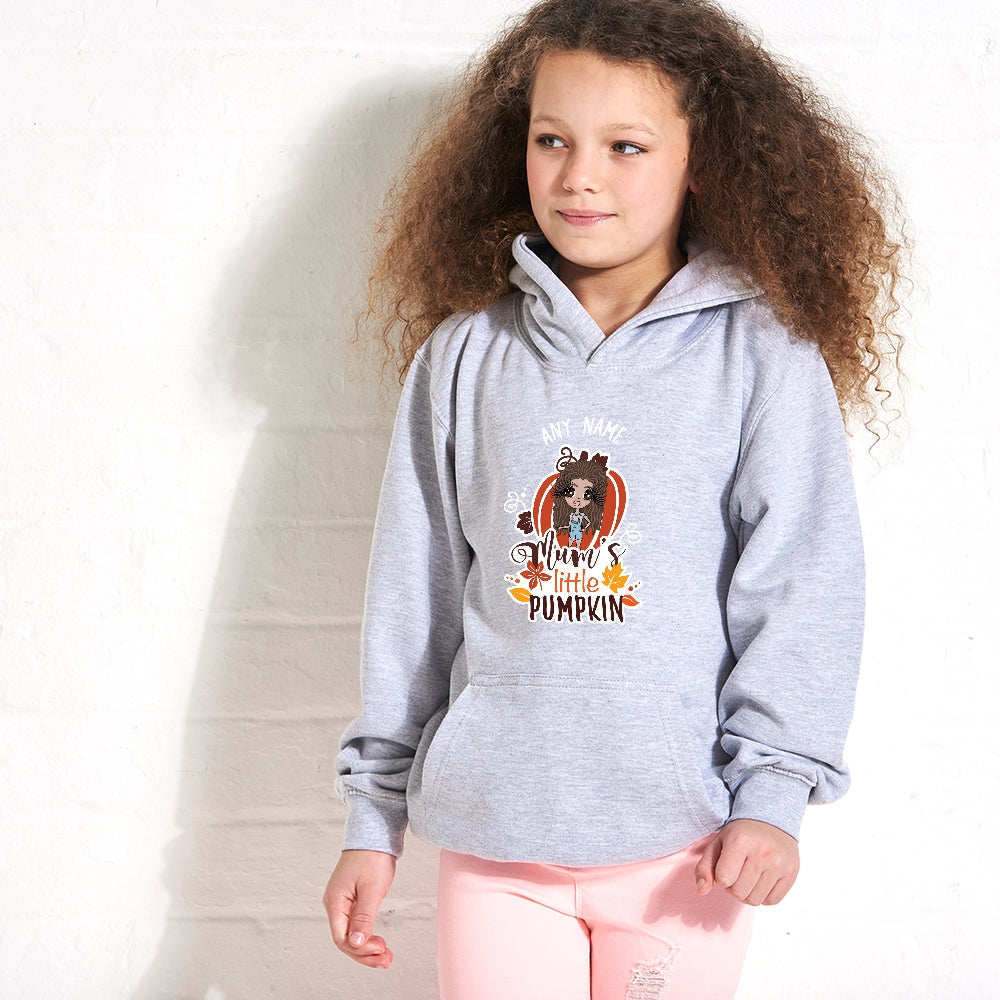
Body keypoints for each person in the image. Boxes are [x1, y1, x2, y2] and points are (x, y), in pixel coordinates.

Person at [323, 0, 904, 997]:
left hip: (687, 847)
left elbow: (803, 585)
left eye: (624, 146)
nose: (577, 176)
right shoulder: (464, 355)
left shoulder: (762, 356)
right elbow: (414, 594)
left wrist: (773, 791)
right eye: (551, 139)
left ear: (701, 161)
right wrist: (372, 819)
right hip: (494, 841)